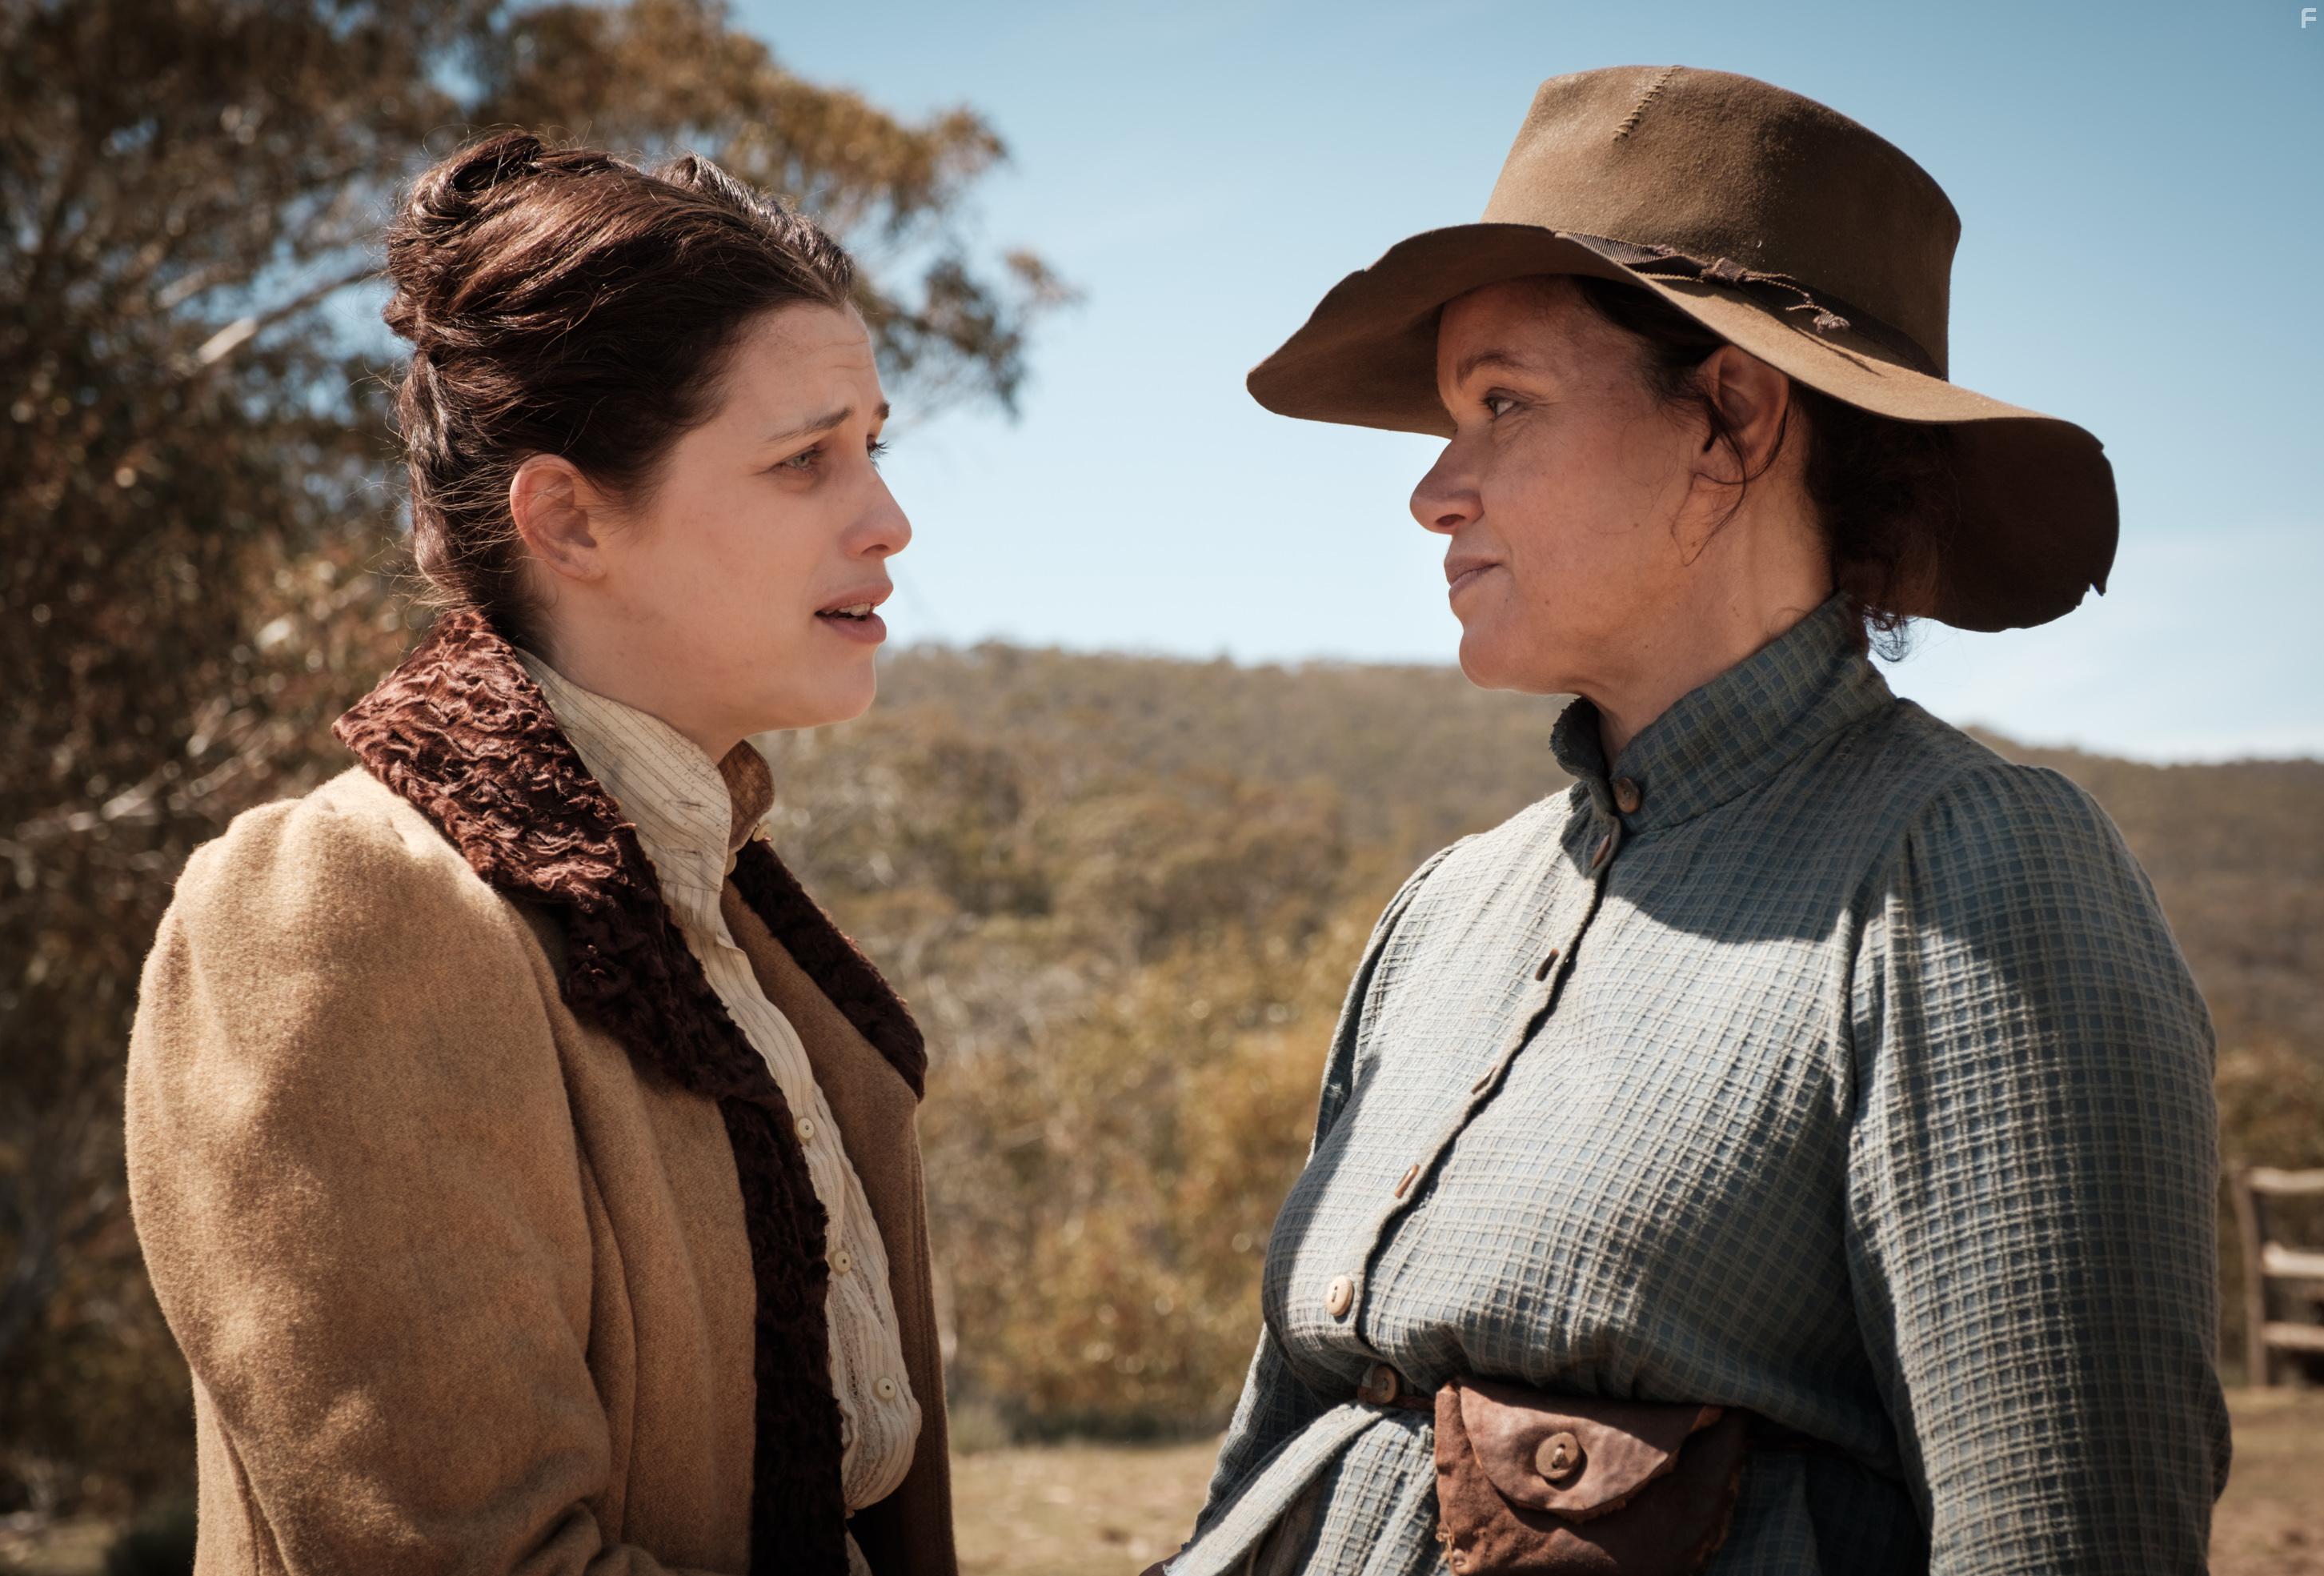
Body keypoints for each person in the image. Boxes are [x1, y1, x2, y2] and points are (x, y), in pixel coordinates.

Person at [1160, 65, 2227, 1576]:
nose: (1433, 491)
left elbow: (2065, 1536)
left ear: (1727, 418)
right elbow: (1277, 1455)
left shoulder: (1963, 874)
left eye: (1501, 405)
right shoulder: (1442, 914)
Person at [125, 130, 952, 1576]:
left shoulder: (719, 923)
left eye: (871, 446)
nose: (886, 517)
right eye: (803, 458)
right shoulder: (346, 907)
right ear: (571, 518)